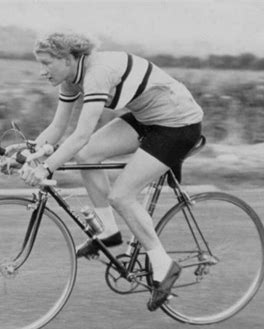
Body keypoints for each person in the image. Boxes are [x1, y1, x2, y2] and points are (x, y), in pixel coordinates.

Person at [20, 32, 204, 311]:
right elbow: (57, 130)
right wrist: (27, 153)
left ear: (69, 59)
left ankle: (164, 265)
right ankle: (108, 231)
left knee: (122, 195)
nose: (42, 71)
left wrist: (46, 167)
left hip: (178, 125)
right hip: (148, 118)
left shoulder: (97, 73)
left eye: (47, 63)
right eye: (40, 64)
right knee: (87, 155)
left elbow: (81, 134)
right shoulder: (71, 78)